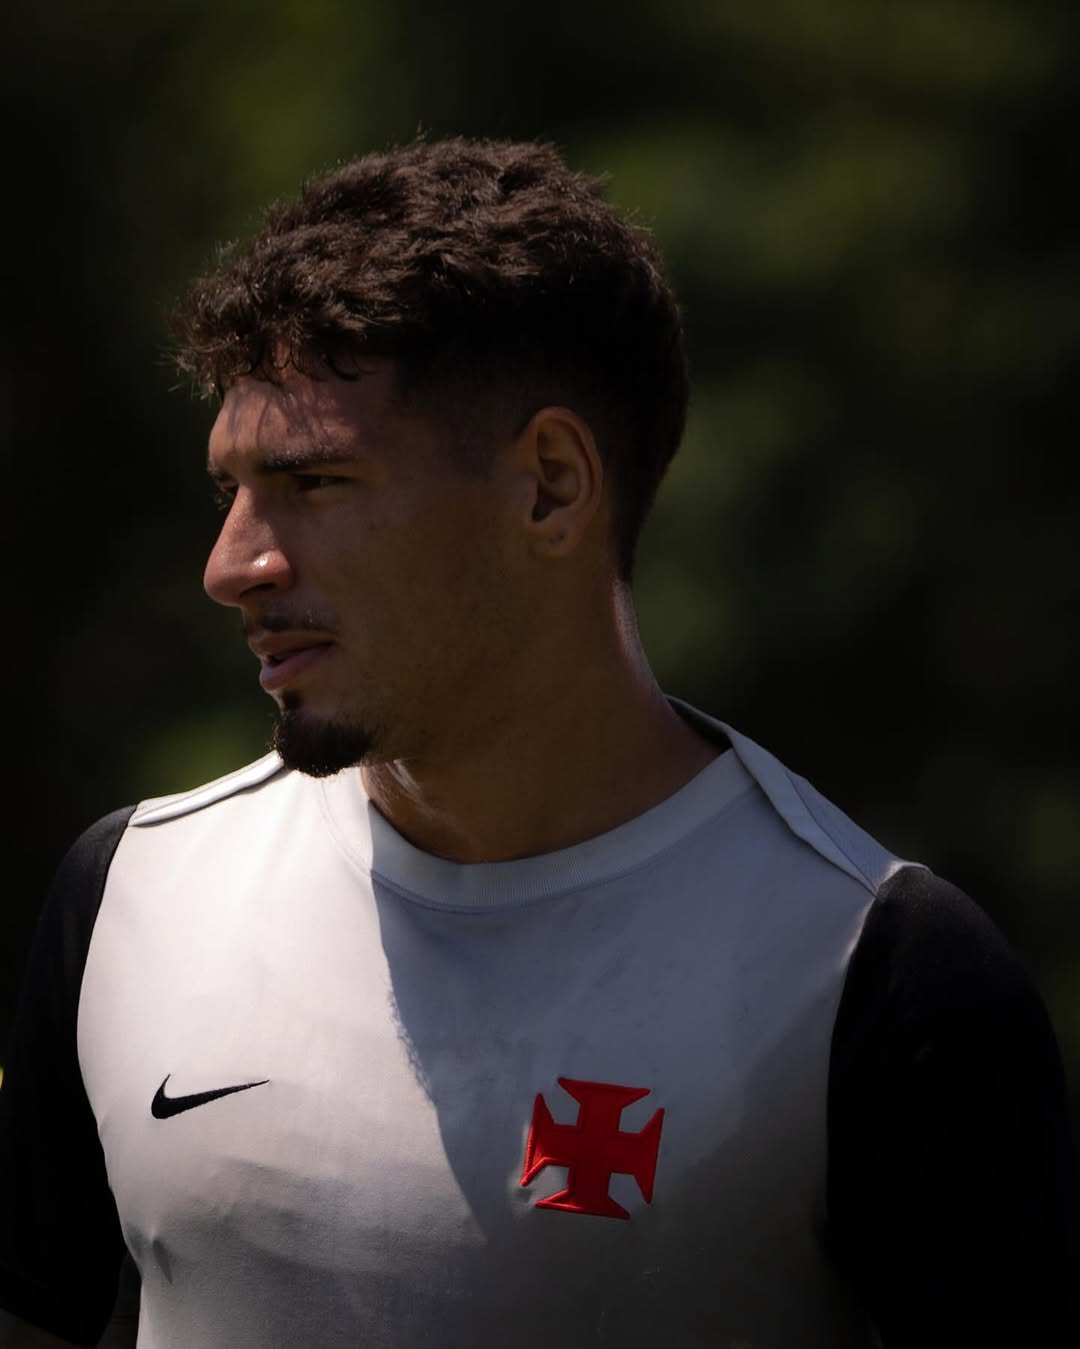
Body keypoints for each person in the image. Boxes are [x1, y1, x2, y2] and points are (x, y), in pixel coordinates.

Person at [0, 136, 1076, 1349]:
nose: (231, 564)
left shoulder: (875, 975)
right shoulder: (129, 894)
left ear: (553, 486)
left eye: (316, 483)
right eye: (230, 490)